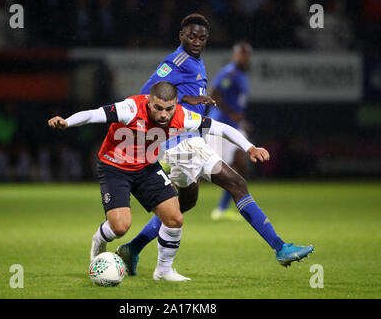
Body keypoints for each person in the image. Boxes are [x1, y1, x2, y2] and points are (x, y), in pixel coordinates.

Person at [116, 14, 314, 276]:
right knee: (237, 183)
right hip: (181, 142)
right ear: (181, 35)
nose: (196, 41)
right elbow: (145, 95)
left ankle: (133, 248)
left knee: (183, 204)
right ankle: (280, 247)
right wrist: (189, 99)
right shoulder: (175, 62)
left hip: (190, 140)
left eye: (201, 37)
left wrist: (190, 99)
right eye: (191, 36)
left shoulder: (195, 62)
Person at [48, 81, 272, 281]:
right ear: (149, 102)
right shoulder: (131, 108)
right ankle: (99, 241)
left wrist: (250, 147)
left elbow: (220, 128)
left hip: (146, 168)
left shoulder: (182, 115)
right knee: (120, 226)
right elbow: (93, 114)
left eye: (169, 108)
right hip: (115, 168)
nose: (164, 114)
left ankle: (163, 271)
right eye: (158, 108)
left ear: (175, 104)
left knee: (175, 218)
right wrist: (66, 122)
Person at [207, 41, 253, 220]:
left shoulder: (241, 75)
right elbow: (214, 94)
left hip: (234, 127)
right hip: (221, 126)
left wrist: (241, 121)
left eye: (246, 55)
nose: (244, 58)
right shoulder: (230, 72)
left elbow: (236, 104)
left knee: (241, 164)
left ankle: (222, 208)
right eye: (241, 54)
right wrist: (232, 114)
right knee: (204, 170)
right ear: (235, 55)